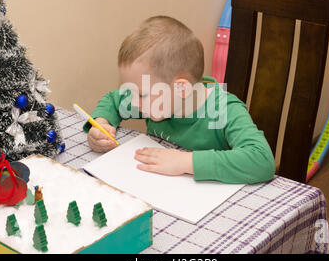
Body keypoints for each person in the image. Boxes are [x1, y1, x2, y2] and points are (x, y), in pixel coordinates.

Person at [83, 16, 275, 184]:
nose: (132, 103)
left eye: (140, 94)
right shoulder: (156, 98)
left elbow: (261, 160)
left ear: (181, 88)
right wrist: (100, 124)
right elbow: (113, 101)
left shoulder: (223, 109)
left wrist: (184, 162)